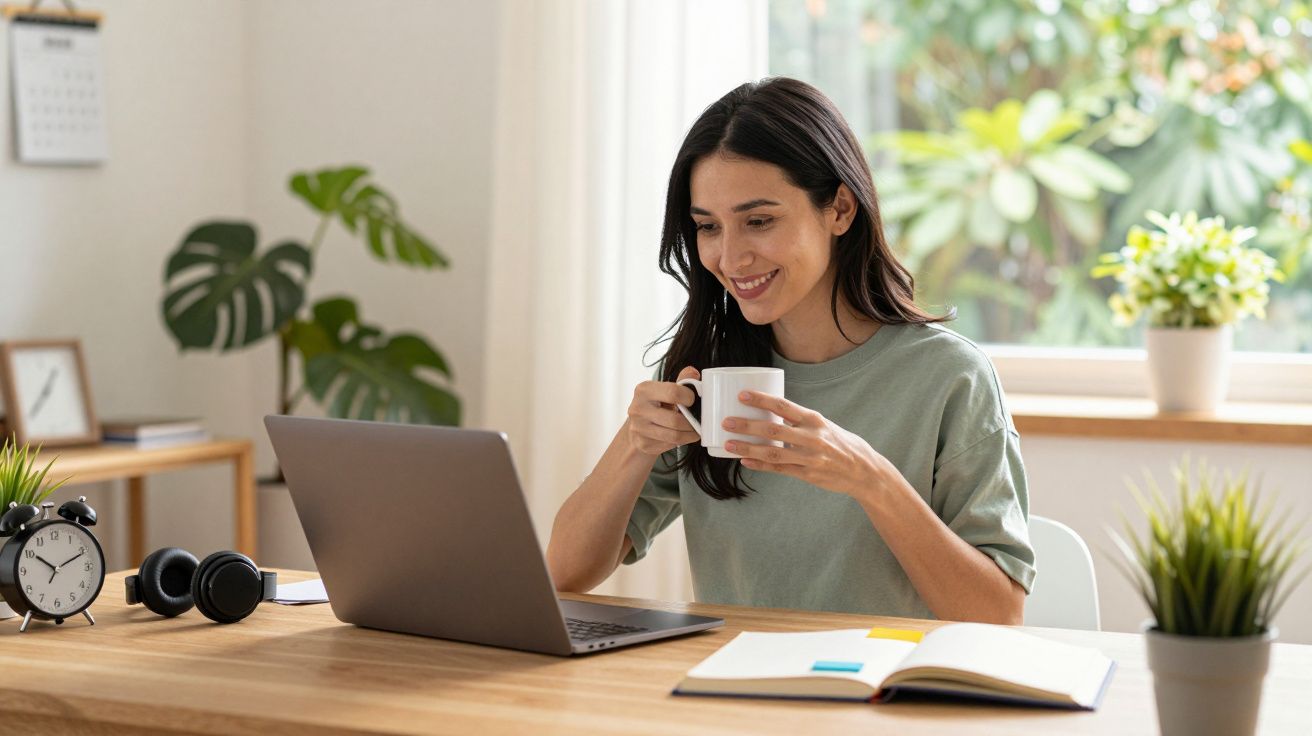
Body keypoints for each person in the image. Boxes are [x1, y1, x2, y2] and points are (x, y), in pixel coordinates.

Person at [545, 77, 1034, 623]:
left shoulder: (948, 377)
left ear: (840, 209)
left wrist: (868, 477)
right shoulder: (702, 374)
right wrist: (635, 444)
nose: (731, 257)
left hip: (883, 693)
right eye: (708, 226)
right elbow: (565, 572)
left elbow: (1000, 617)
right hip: (727, 692)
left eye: (759, 221)